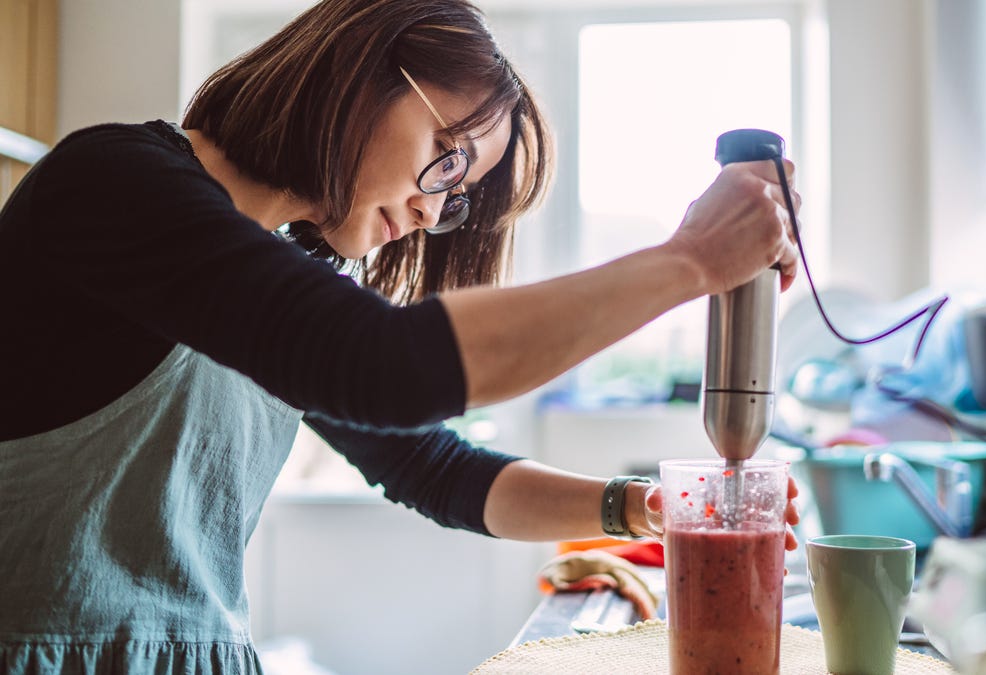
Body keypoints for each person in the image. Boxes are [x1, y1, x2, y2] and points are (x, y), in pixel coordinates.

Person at [0, 0, 802, 671]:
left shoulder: (282, 273)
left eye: (456, 195)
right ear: (362, 74)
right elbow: (385, 363)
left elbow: (433, 466)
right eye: (447, 159)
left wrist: (640, 508)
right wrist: (688, 261)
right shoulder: (114, 181)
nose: (430, 210)